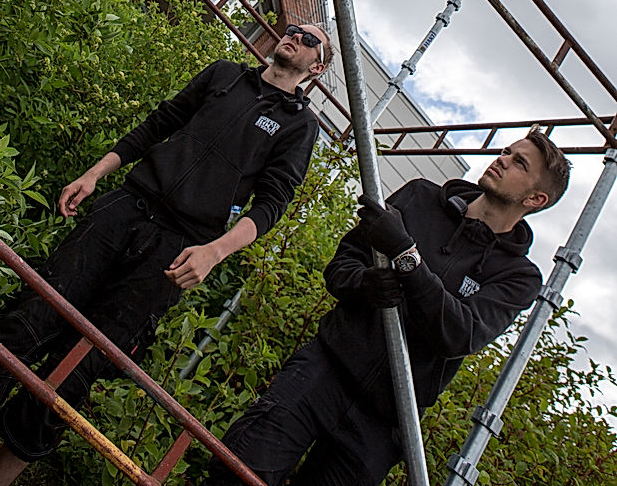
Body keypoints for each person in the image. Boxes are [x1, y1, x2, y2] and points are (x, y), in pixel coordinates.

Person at [0, 23, 332, 486]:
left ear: (316, 67)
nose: (295, 38)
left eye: (309, 41)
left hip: (177, 248)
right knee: (24, 320)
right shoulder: (224, 75)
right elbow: (158, 124)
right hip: (125, 208)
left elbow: (271, 203)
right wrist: (93, 174)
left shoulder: (301, 126)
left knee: (75, 372)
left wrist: (213, 254)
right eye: (292, 30)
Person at [205, 128, 571, 486]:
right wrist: (364, 284)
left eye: (519, 162)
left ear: (535, 199)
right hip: (323, 371)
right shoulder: (420, 198)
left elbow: (461, 334)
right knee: (236, 470)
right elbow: (340, 268)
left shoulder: (518, 276)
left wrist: (407, 257)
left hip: (387, 421)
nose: (502, 160)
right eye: (506, 151)